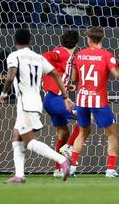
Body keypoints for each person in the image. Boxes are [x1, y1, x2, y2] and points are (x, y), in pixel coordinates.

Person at [0, 29, 72, 184]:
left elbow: (11, 76)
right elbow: (56, 75)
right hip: (36, 101)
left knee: (29, 141)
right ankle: (19, 175)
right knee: (16, 135)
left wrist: (4, 94)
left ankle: (62, 160)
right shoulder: (38, 57)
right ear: (30, 41)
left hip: (26, 102)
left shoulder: (14, 56)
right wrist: (65, 97)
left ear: (15, 41)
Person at [70, 27, 119, 178]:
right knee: (112, 134)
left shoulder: (79, 55)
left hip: (81, 99)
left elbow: (74, 79)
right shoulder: (107, 55)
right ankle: (110, 170)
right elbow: (118, 75)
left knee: (82, 132)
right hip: (99, 101)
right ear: (102, 38)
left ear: (88, 39)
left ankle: (73, 167)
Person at [42, 30, 81, 177]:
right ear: (76, 44)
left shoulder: (64, 54)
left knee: (63, 134)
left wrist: (66, 86)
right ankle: (69, 147)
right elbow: (47, 56)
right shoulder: (62, 52)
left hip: (50, 100)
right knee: (86, 116)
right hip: (55, 100)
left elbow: (56, 71)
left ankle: (58, 169)